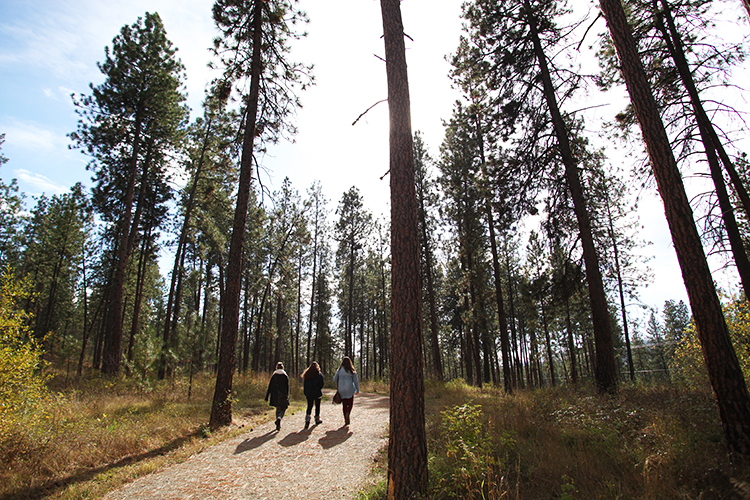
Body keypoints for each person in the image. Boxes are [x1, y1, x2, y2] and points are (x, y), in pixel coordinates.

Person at [333, 356, 359, 426]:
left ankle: (345, 417)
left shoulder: (339, 370)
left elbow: (335, 379)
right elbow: (356, 381)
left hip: (341, 389)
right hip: (350, 389)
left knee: (344, 404)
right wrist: (357, 390)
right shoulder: (351, 370)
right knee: (350, 403)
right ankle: (348, 412)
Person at [265, 362, 289, 431]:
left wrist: (267, 396)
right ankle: (279, 418)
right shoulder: (285, 376)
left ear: (276, 367)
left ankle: (278, 424)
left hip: (274, 395)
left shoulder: (274, 375)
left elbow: (270, 387)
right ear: (282, 367)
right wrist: (287, 396)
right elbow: (287, 387)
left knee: (277, 409)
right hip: (283, 395)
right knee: (283, 408)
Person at [301, 361, 325, 429]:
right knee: (317, 406)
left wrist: (305, 392)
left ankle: (307, 419)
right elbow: (322, 383)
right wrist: (318, 389)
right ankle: (317, 419)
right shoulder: (319, 374)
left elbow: (305, 384)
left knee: (309, 406)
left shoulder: (307, 374)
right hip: (317, 392)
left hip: (309, 393)